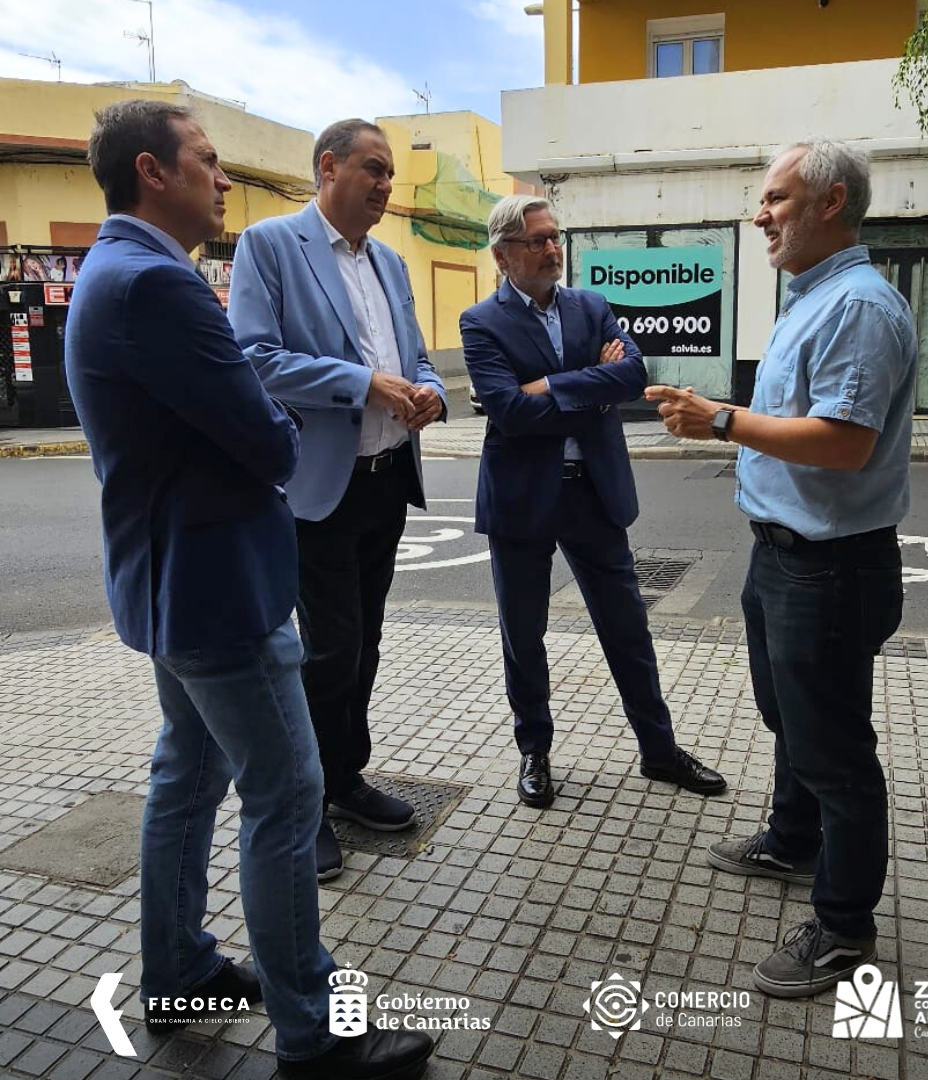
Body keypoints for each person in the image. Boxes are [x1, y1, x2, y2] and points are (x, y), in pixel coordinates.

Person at [66, 99, 432, 1080]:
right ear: (152, 172)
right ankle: (313, 1032)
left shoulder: (115, 268)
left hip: (172, 581)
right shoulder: (159, 284)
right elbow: (269, 437)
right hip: (218, 586)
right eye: (207, 159)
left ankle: (180, 969)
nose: (225, 178)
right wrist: (286, 422)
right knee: (287, 789)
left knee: (187, 776)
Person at [646, 139, 916, 998]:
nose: (760, 214)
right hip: (783, 558)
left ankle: (843, 929)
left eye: (777, 198)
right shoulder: (812, 297)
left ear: (832, 202)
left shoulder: (859, 307)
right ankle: (792, 840)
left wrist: (722, 420)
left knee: (836, 752)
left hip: (829, 569)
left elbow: (844, 443)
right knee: (790, 721)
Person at [229, 120, 446, 882]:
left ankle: (346, 777)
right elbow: (255, 358)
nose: (386, 185)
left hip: (387, 480)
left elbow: (417, 355)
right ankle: (307, 802)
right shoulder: (270, 245)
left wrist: (431, 391)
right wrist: (362, 384)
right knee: (327, 650)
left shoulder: (389, 261)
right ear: (328, 167)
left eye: (389, 175)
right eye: (373, 169)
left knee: (365, 643)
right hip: (320, 490)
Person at [460, 195, 727, 809]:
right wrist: (592, 391)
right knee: (523, 633)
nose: (552, 249)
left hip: (593, 491)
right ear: (503, 256)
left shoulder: (592, 305)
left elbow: (633, 375)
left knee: (627, 627)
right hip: (522, 499)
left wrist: (550, 385)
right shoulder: (481, 322)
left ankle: (659, 749)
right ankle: (534, 750)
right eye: (537, 241)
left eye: (555, 237)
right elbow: (509, 411)